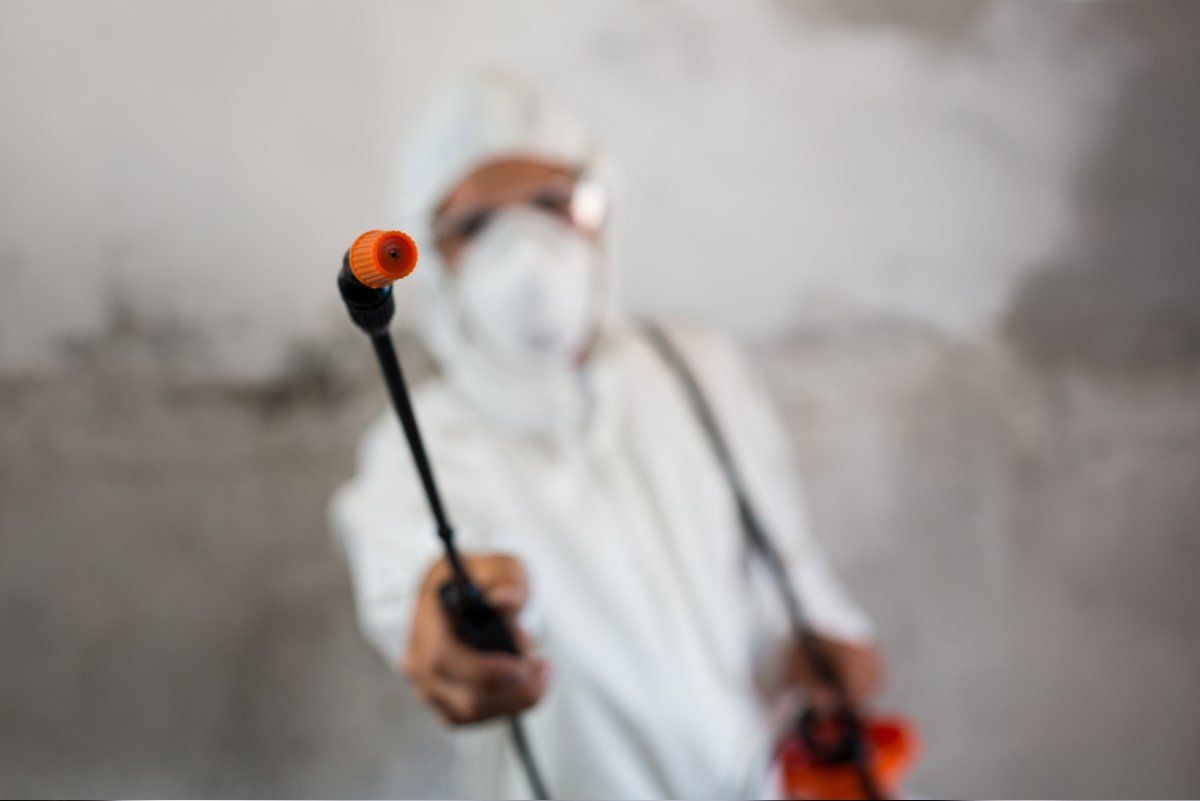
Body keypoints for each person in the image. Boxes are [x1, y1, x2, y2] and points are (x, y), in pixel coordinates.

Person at [330, 72, 883, 800]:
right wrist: (446, 626)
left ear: (602, 208)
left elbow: (803, 587)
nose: (526, 249)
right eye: (474, 225)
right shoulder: (416, 447)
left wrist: (829, 657)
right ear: (431, 254)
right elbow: (417, 593)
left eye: (556, 203)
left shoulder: (699, 368)